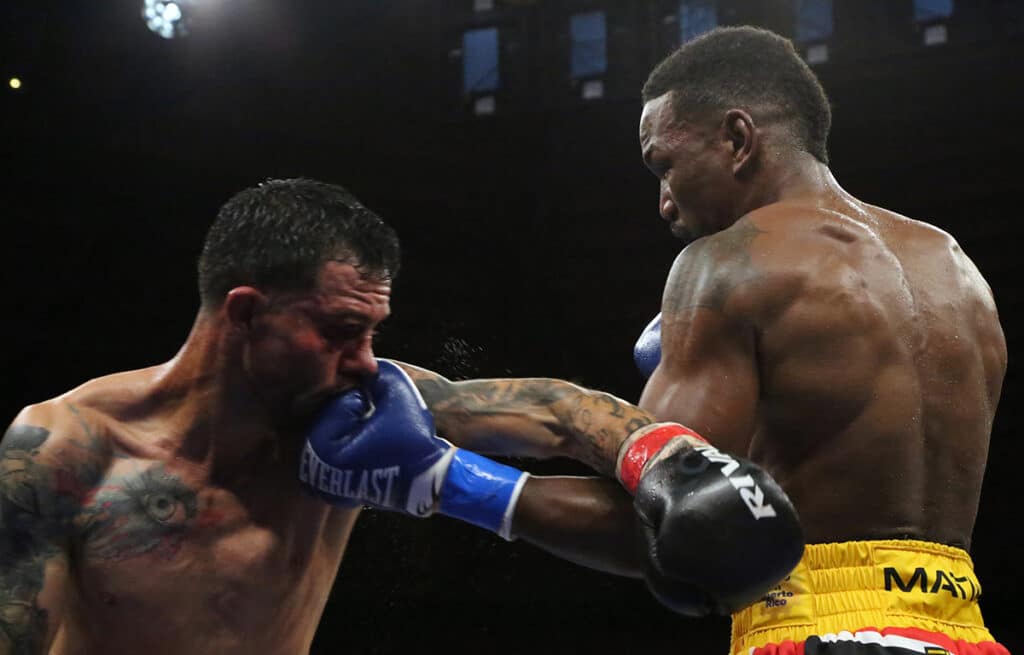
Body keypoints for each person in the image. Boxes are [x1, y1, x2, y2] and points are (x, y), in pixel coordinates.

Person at [0, 178, 802, 654]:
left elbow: (559, 412)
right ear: (244, 314)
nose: (363, 361)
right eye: (341, 331)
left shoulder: (357, 398)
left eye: (373, 332)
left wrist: (675, 463)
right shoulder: (66, 450)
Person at [623, 25, 1008, 655]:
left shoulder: (726, 262)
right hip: (964, 633)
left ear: (738, 139)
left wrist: (455, 475)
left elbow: (650, 514)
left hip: (813, 627)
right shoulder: (957, 266)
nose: (664, 201)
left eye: (664, 166)